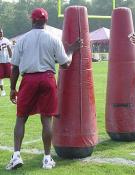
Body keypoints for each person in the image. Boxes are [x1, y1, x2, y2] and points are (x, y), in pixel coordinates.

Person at [6, 8, 83, 170]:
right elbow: (65, 64)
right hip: (47, 79)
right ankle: (47, 159)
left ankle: (17, 156)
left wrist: (13, 88)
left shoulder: (22, 40)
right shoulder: (53, 38)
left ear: (32, 20)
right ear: (46, 21)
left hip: (28, 80)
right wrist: (71, 50)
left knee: (21, 118)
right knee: (47, 119)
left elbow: (15, 68)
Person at [0, 28, 12, 96]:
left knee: (10, 76)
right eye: (0, 32)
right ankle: (2, 91)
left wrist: (11, 58)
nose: (1, 33)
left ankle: (12, 89)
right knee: (0, 77)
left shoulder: (6, 40)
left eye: (1, 32)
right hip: (0, 61)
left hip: (7, 60)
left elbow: (9, 49)